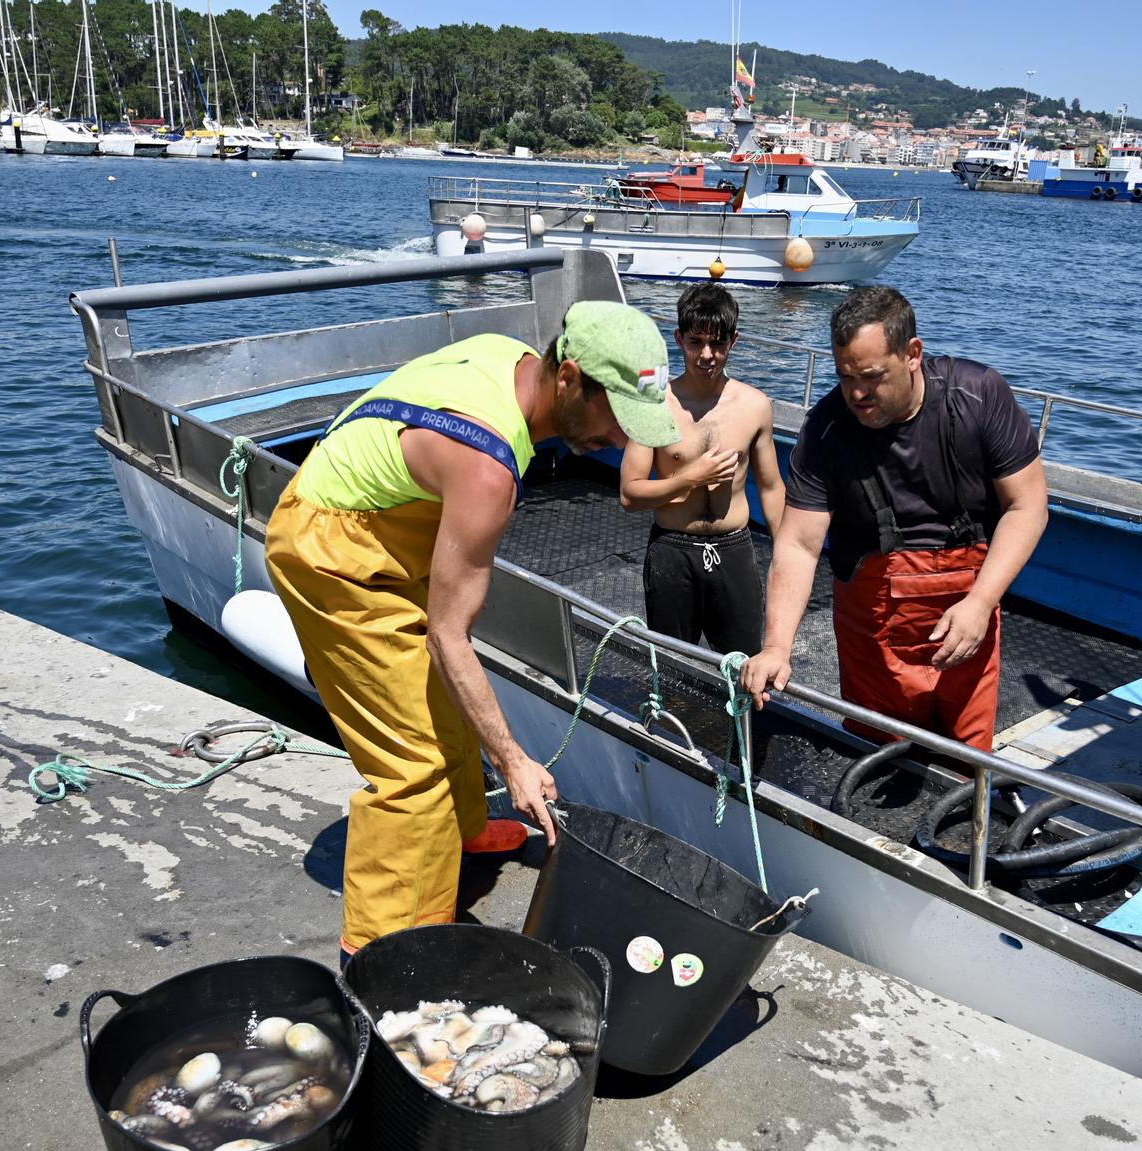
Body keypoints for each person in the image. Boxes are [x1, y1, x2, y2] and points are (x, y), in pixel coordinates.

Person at [264, 303, 681, 960]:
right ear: (569, 377)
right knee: (413, 764)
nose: (625, 442)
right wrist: (514, 759)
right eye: (619, 420)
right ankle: (386, 948)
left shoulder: (507, 356)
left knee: (443, 702)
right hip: (329, 551)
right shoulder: (487, 468)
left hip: (379, 517)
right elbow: (450, 635)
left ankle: (463, 827)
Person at [740, 286, 1048, 751]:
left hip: (967, 615)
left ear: (912, 354)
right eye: (845, 378)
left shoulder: (978, 396)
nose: (857, 394)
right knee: (872, 754)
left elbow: (1028, 507)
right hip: (873, 628)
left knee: (966, 759)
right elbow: (799, 544)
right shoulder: (826, 429)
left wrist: (982, 603)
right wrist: (777, 646)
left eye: (871, 376)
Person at [618, 285, 784, 656]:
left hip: (734, 550)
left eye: (718, 344)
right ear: (679, 339)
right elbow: (630, 493)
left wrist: (786, 555)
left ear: (734, 341)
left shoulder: (755, 405)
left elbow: (772, 487)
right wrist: (694, 477)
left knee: (744, 669)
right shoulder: (655, 399)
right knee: (673, 665)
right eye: (695, 342)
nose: (707, 355)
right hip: (672, 551)